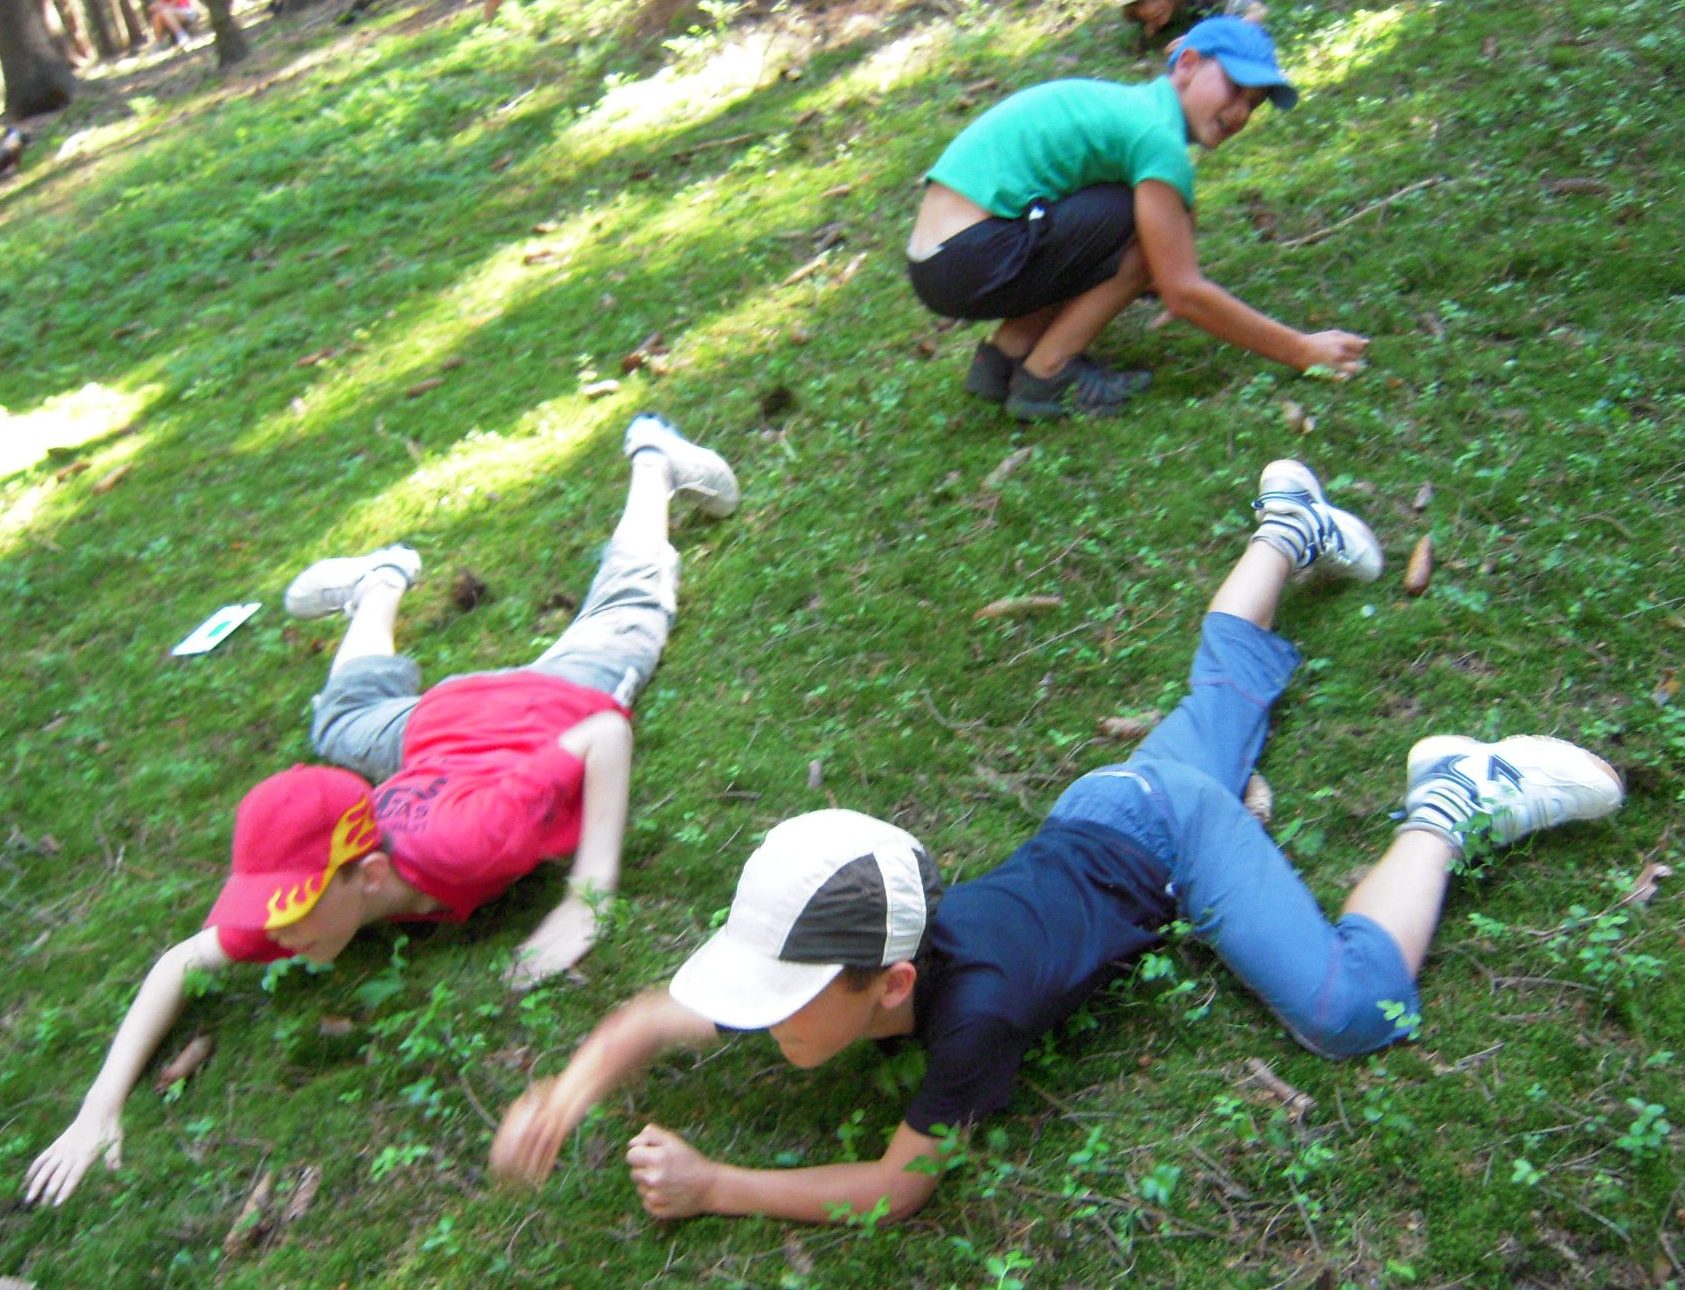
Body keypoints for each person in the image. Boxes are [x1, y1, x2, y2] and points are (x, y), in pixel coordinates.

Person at [488, 458, 1624, 1223]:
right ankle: (1289, 528)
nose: (757, 1018)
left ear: (892, 986)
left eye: (780, 998)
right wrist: (564, 1093)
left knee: (1346, 1010)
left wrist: (715, 1184)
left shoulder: (971, 1020)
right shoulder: (847, 962)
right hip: (1105, 807)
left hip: (1163, 840)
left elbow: (896, 1186)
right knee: (1221, 694)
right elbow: (650, 1016)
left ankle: (1453, 798)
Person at [22, 415, 739, 1208]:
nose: (278, 936)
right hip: (436, 728)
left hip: (552, 702)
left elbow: (603, 736)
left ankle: (653, 459)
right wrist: (97, 1109)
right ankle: (379, 582)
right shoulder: (311, 901)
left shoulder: (469, 843)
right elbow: (179, 962)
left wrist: (586, 895)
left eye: (290, 908)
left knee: (630, 605)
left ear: (366, 875)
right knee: (337, 724)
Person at [905, 16, 1371, 421]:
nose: (1239, 112)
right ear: (1186, 65)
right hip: (972, 255)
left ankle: (1003, 358)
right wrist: (1300, 350)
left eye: (1254, 103)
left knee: (1134, 217)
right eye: (1234, 89)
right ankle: (1047, 374)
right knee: (1143, 229)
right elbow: (1182, 291)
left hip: (944, 259)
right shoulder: (1155, 139)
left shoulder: (1133, 112)